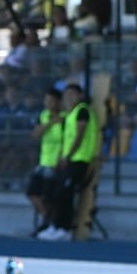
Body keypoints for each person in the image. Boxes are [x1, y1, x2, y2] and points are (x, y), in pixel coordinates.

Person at [39, 83, 100, 242]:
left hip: (79, 159)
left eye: (72, 94)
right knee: (58, 192)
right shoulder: (69, 114)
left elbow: (79, 135)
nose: (69, 98)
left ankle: (64, 228)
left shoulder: (82, 111)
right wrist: (62, 156)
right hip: (69, 160)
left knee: (65, 193)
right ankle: (56, 225)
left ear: (80, 96)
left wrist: (69, 155)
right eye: (66, 95)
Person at [27, 89, 64, 236]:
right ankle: (46, 216)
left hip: (56, 162)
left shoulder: (65, 118)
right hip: (44, 161)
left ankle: (51, 222)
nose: (48, 103)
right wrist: (50, 123)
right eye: (46, 100)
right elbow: (36, 134)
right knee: (32, 192)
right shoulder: (43, 116)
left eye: (51, 100)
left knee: (49, 195)